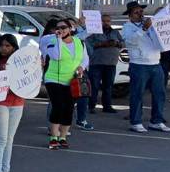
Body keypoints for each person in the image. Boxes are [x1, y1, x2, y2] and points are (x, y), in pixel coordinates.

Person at [122, 1, 170, 133]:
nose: (140, 14)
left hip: (155, 63)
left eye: (141, 11)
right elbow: (131, 40)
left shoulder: (151, 24)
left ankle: (156, 121)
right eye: (136, 12)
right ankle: (136, 122)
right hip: (139, 64)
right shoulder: (127, 27)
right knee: (137, 94)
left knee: (159, 94)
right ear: (130, 15)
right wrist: (143, 29)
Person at [42, 19, 88, 148]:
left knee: (68, 108)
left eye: (63, 27)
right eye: (58, 28)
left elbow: (85, 59)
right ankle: (53, 136)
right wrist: (58, 39)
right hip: (54, 79)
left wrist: (81, 67)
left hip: (71, 79)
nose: (61, 30)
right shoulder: (52, 42)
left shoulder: (79, 42)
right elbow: (57, 56)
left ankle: (63, 136)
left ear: (70, 28)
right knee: (58, 106)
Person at [0, 34, 24, 172]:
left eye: (8, 46)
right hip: (1, 102)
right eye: (2, 45)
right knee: (1, 139)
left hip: (18, 102)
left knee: (9, 139)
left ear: (14, 47)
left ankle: (6, 171)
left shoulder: (21, 62)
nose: (4, 48)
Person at [86, 13, 123, 113]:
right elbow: (88, 43)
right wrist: (101, 44)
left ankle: (107, 106)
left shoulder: (115, 32)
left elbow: (123, 42)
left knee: (108, 86)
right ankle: (91, 106)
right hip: (96, 62)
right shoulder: (94, 32)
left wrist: (117, 43)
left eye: (108, 21)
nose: (106, 23)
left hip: (111, 63)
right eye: (104, 21)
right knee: (94, 86)